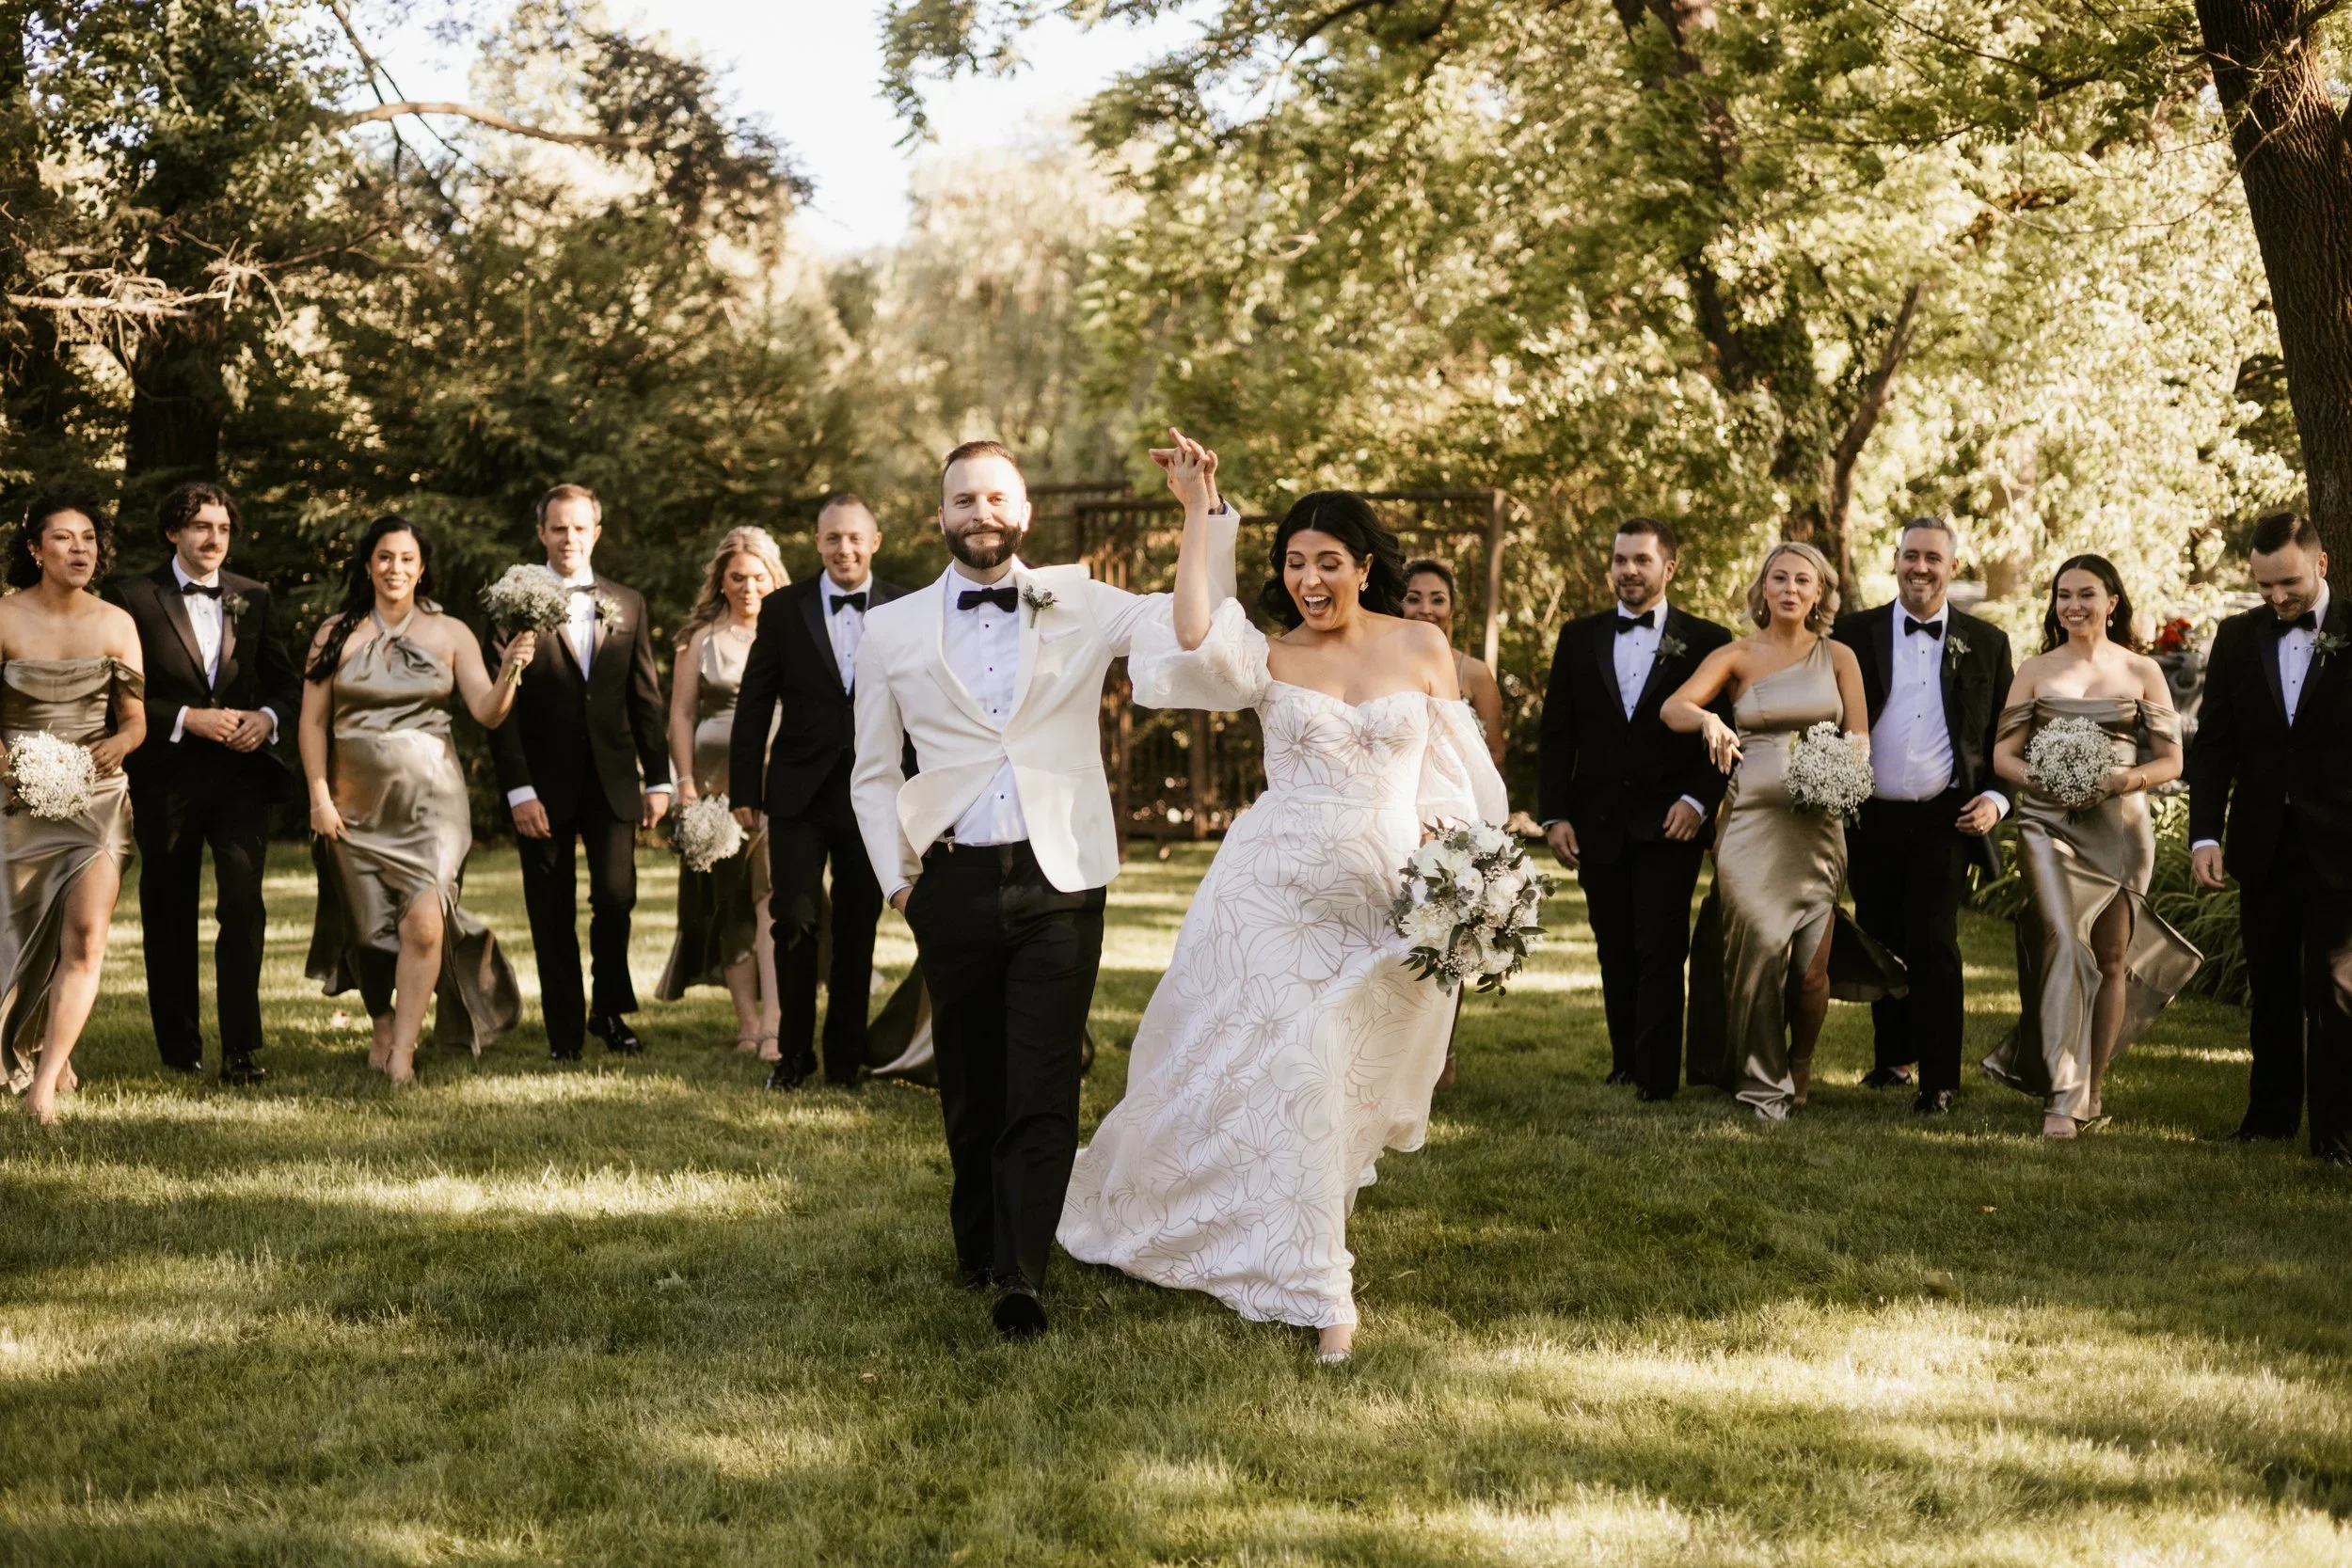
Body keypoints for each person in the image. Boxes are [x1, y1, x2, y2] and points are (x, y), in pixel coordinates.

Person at [1058, 436, 1506, 1367]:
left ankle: (1288, 1231)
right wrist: (1196, 507)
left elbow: (1455, 775)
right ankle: (1319, 1286)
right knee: (1279, 1066)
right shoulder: (1266, 656)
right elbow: (1189, 629)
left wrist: (1458, 859)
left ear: (1363, 566)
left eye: (1326, 562)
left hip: (1379, 901)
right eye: (1294, 563)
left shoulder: (1421, 643)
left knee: (1330, 1076)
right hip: (1265, 898)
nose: (1308, 578)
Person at [850, 438, 1233, 1342]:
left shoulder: (1082, 600)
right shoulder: (891, 627)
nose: (980, 513)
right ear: (939, 517)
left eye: (996, 498)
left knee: (1044, 1077)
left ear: (1023, 512)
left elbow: (1189, 628)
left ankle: (1023, 1270)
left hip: (1060, 878)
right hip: (949, 880)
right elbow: (870, 771)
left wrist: (1199, 513)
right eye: (962, 500)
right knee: (972, 1078)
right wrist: (898, 883)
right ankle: (979, 1242)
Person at [302, 515, 533, 1085]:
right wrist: (318, 796)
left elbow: (486, 710)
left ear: (422, 567)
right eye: (384, 557)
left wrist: (510, 672)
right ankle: (382, 1020)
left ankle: (403, 1051)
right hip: (353, 805)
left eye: (406, 558)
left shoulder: (451, 633)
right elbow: (311, 722)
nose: (395, 568)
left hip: (433, 804)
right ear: (367, 564)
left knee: (425, 925)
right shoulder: (335, 631)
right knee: (366, 930)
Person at [1666, 541, 1889, 1120]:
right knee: (1760, 949)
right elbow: (1674, 707)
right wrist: (1709, 719)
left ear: (1819, 594)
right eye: (1779, 579)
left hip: (1818, 828)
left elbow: (1860, 739)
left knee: (1811, 969)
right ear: (1763, 589)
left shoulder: (1839, 656)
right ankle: (1757, 1075)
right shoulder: (1736, 655)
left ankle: (1799, 1064)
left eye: (1802, 581)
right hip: (1747, 828)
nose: (1790, 589)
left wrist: (1843, 777)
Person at [1982, 555, 2199, 1138]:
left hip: (2121, 829)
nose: (2073, 605)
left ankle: (2091, 1084)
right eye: (2063, 596)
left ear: (2112, 602)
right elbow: (2004, 757)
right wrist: (2049, 781)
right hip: (2047, 824)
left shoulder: (2143, 671)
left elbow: (2172, 760)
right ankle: (2062, 1093)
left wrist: (2118, 780)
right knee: (2062, 941)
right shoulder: (2034, 669)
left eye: (2086, 594)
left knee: (2109, 962)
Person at [112, 481, 301, 1086]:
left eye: (221, 528)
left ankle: (242, 1049)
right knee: (168, 909)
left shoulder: (254, 596)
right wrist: (186, 718)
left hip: (242, 779)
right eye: (200, 527)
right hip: (166, 776)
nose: (212, 538)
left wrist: (265, 719)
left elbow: (285, 684)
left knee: (244, 906)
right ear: (173, 532)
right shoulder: (132, 597)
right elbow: (119, 692)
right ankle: (179, 1049)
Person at [1538, 519, 1735, 1100]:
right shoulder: (1579, 636)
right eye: (1620, 560)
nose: (1628, 570)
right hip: (1595, 822)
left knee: (1661, 946)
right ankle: (1624, 1061)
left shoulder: (1707, 638)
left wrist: (1699, 801)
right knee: (1613, 945)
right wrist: (1554, 815)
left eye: (1641, 560)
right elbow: (1557, 733)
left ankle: (1656, 1077)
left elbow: (1723, 731)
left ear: (1667, 568)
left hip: (1670, 821)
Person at [1831, 520, 2014, 1115]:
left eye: (1933, 558)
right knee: (1881, 936)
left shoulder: (1987, 642)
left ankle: (1940, 1080)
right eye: (1911, 556)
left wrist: (1995, 799)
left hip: (1947, 817)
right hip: (1870, 815)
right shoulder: (1852, 632)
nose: (1921, 567)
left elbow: (2004, 736)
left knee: (1934, 941)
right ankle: (1892, 1060)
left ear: (1952, 568)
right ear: (1895, 561)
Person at [485, 483, 672, 1062]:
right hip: (541, 783)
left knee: (617, 898)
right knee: (551, 912)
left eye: (580, 528)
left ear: (596, 531)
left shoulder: (629, 602)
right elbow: (500, 708)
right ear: (541, 533)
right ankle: (564, 1034)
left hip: (613, 779)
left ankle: (608, 1011)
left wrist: (659, 778)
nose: (570, 538)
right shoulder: (510, 603)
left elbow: (645, 696)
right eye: (558, 528)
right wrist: (519, 789)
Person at [2187, 512, 2350, 1161]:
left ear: (2321, 564)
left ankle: (2337, 1136)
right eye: (2264, 587)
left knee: (2337, 991)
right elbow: (2214, 747)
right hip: (2262, 842)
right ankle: (2270, 1116)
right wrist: (2204, 835)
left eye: (2288, 583)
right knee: (2272, 985)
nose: (2277, 598)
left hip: (2342, 844)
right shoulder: (2235, 637)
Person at [732, 496, 908, 1090]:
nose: (844, 549)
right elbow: (754, 701)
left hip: (872, 796)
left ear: (875, 541)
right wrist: (742, 790)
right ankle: (793, 1057)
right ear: (818, 543)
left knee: (858, 930)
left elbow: (921, 706)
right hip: (797, 796)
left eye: (855, 538)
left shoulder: (903, 608)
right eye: (833, 539)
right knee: (794, 923)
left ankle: (843, 1061)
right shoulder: (783, 609)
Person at [0, 491, 145, 1125]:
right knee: (17, 940)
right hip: (15, 795)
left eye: (88, 537)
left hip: (97, 798)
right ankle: (21, 1043)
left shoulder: (117, 623)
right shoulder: (3, 617)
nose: (80, 548)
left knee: (85, 938)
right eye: (64, 537)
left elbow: (134, 722)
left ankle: (46, 1085)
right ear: (34, 548)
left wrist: (117, 743)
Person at [656, 527, 788, 1052]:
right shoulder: (701, 638)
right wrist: (683, 781)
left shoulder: (790, 630)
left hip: (780, 781)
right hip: (714, 786)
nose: (748, 587)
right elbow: (682, 713)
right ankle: (747, 1024)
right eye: (737, 577)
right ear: (721, 579)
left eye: (758, 577)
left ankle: (776, 1022)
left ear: (773, 577)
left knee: (773, 900)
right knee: (730, 904)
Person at [1400, 560, 1506, 767]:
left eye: (1437, 600)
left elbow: (1495, 750)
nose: (1426, 610)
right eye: (1413, 599)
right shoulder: (1382, 665)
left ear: (1451, 609)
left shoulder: (1476, 673)